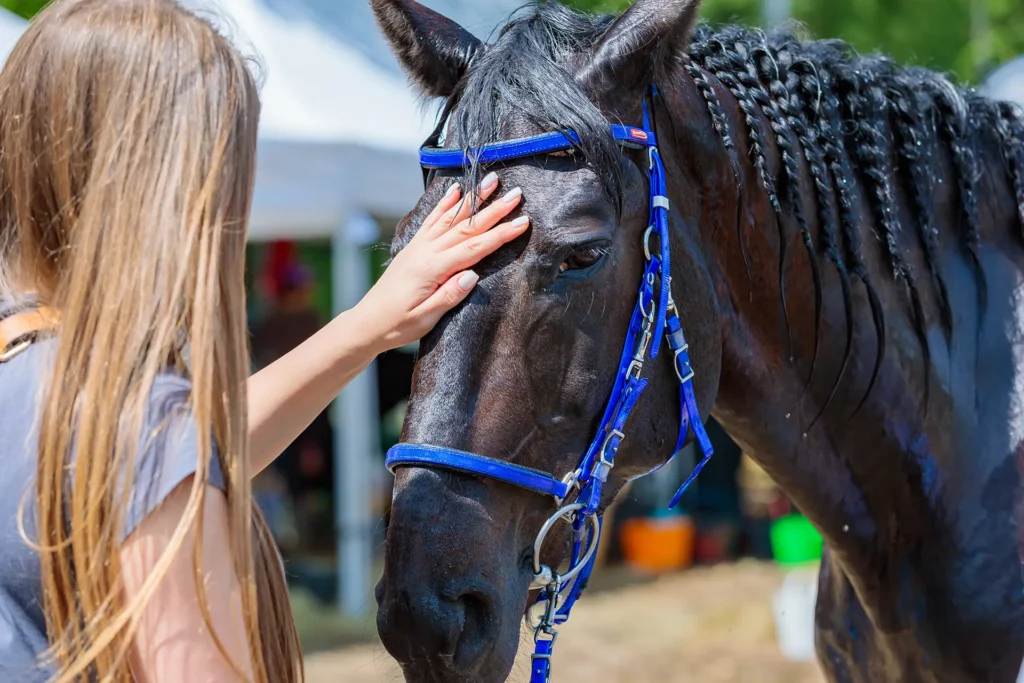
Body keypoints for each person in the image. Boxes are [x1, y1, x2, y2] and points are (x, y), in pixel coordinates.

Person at [0, 1, 530, 682]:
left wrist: (373, 323)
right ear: (175, 192)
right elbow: (162, 457)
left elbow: (188, 451)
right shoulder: (143, 430)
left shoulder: (32, 371)